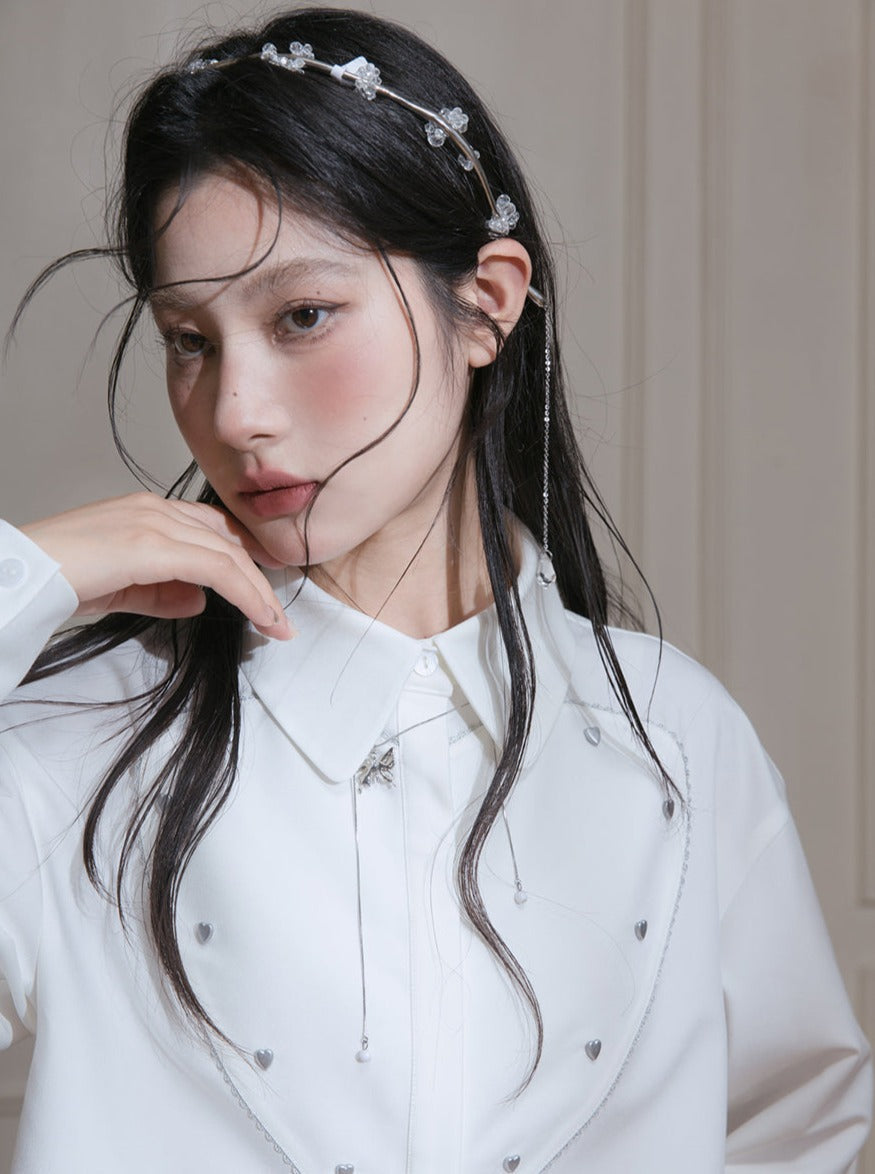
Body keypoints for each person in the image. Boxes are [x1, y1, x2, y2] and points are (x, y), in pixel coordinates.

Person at [0, 8, 871, 1172]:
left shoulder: (679, 739)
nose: (235, 412)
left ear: (486, 304)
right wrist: (20, 579)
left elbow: (793, 1131)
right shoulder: (73, 747)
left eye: (302, 316)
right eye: (189, 339)